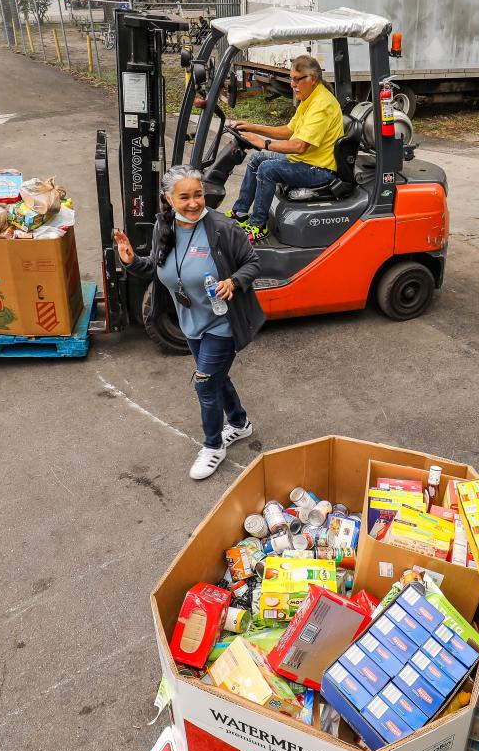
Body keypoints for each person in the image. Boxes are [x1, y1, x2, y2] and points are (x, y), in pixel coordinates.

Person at [113, 166, 265, 480]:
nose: (194, 202)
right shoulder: (164, 226)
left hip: (221, 323)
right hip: (190, 322)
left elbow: (253, 262)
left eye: (198, 195)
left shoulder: (222, 228)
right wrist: (130, 261)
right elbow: (156, 268)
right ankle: (239, 423)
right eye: (185, 197)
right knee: (217, 378)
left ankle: (213, 447)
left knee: (205, 384)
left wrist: (234, 282)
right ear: (168, 199)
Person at [226, 54, 344, 243]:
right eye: (291, 79)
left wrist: (262, 143)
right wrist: (252, 126)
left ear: (312, 79)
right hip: (306, 162)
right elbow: (289, 131)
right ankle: (240, 212)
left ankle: (258, 226)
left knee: (267, 169)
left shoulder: (322, 105)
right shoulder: (310, 98)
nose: (292, 84)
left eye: (296, 79)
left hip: (319, 169)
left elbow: (299, 146)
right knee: (257, 160)